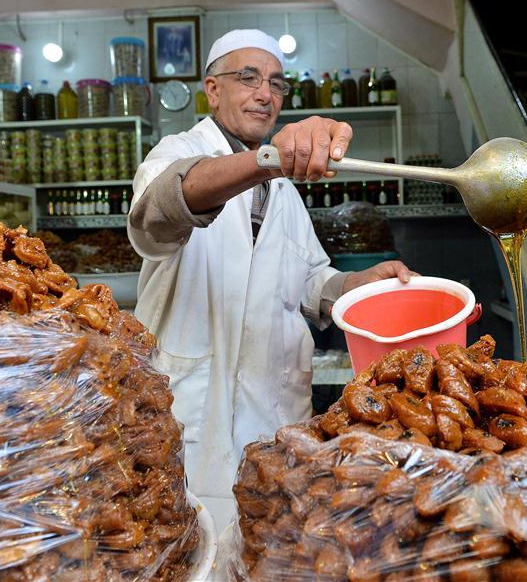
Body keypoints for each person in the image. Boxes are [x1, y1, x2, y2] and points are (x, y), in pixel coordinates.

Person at [127, 29, 414, 530]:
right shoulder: (176, 151)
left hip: (273, 416)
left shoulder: (284, 190)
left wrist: (355, 285)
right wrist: (267, 160)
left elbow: (308, 282)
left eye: (277, 84)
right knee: (187, 548)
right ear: (212, 90)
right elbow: (160, 210)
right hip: (190, 412)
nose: (265, 93)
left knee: (264, 546)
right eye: (248, 78)